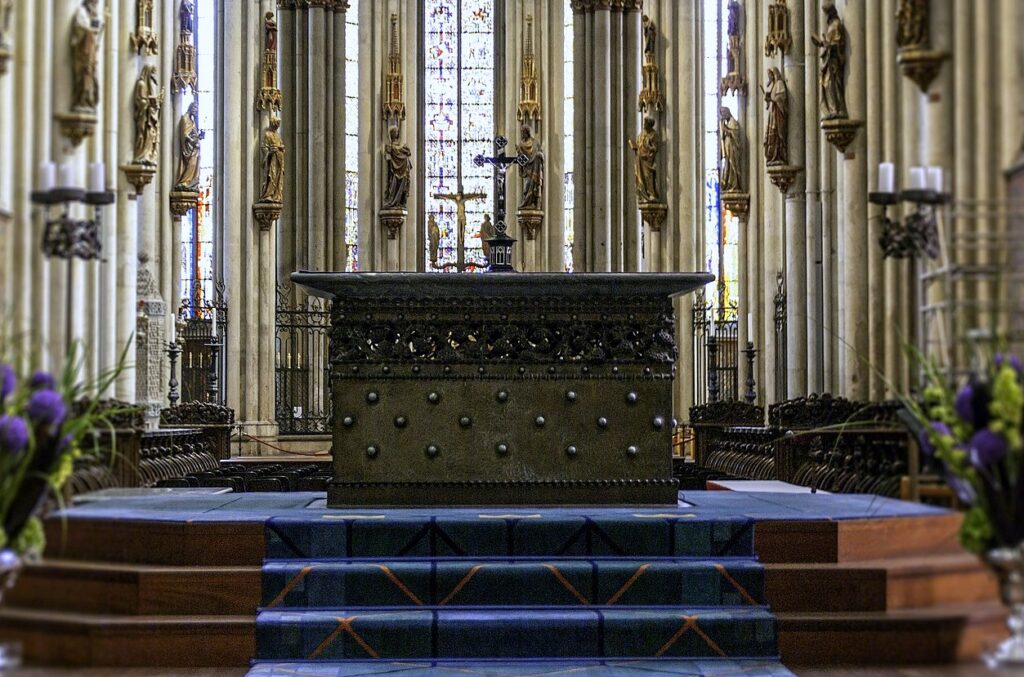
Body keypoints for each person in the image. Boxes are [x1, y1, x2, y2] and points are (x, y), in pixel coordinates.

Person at [811, 3, 848, 120]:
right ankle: (832, 109)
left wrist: (826, 45)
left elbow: (837, 43)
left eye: (827, 13)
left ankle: (839, 109)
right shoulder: (832, 25)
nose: (826, 16)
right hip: (828, 59)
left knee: (832, 83)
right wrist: (821, 43)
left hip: (833, 60)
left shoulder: (836, 25)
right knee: (826, 84)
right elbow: (829, 42)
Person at [70, 0, 104, 112]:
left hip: (91, 53)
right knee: (83, 75)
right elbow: (82, 27)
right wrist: (92, 30)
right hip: (83, 53)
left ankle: (89, 100)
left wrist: (98, 26)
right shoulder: (81, 12)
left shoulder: (93, 15)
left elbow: (96, 28)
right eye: (93, 3)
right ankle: (82, 99)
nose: (95, 5)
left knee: (91, 76)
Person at [629, 117, 660, 203]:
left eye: (645, 123)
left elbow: (655, 148)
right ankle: (642, 196)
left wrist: (649, 146)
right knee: (639, 178)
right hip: (640, 159)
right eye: (643, 123)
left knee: (648, 177)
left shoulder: (653, 134)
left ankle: (651, 194)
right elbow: (639, 143)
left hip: (648, 160)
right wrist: (635, 147)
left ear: (649, 124)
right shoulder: (642, 133)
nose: (643, 125)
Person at [174, 102, 203, 190]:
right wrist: (192, 141)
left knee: (195, 163)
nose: (196, 112)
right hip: (189, 147)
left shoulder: (192, 120)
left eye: (197, 110)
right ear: (191, 108)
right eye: (195, 109)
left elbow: (194, 133)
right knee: (191, 163)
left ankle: (191, 181)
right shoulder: (185, 118)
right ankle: (185, 181)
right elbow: (184, 134)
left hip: (195, 147)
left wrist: (199, 136)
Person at [762, 68, 788, 166]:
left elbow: (781, 97)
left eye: (770, 74)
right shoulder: (773, 86)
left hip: (778, 113)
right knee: (772, 134)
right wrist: (768, 99)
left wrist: (772, 99)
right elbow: (771, 101)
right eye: (768, 75)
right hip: (773, 113)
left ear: (775, 74)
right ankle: (773, 156)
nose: (769, 77)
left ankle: (779, 154)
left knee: (778, 133)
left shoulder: (779, 83)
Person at [382, 126, 411, 209]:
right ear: (391, 134)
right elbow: (387, 156)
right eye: (394, 132)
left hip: (403, 168)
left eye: (397, 132)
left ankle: (401, 201)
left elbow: (407, 152)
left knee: (403, 183)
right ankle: (392, 200)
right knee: (393, 184)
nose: (396, 133)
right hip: (394, 169)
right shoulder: (390, 146)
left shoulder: (401, 146)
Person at [516, 125, 544, 210]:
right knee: (526, 186)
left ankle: (534, 203)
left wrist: (539, 155)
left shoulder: (534, 142)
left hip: (535, 168)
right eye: (522, 132)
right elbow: (520, 159)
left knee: (534, 185)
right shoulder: (521, 144)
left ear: (527, 132)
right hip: (527, 169)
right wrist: (519, 152)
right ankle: (526, 203)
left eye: (524, 132)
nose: (522, 134)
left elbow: (540, 152)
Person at [259, 117, 285, 203]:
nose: (278, 125)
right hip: (272, 159)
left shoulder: (278, 136)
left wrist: (281, 148)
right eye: (277, 123)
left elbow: (282, 146)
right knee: (271, 175)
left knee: (278, 177)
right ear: (273, 123)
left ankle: (276, 195)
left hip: (279, 159)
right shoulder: (268, 134)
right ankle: (268, 194)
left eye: (278, 124)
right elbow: (264, 147)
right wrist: (269, 151)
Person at [719, 107, 743, 192]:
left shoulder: (733, 122)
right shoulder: (726, 123)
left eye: (723, 113)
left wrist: (727, 131)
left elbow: (735, 133)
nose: (722, 116)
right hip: (727, 148)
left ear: (727, 112)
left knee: (734, 166)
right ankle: (728, 184)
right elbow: (723, 137)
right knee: (727, 165)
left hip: (733, 149)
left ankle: (735, 184)